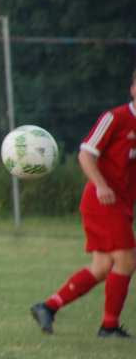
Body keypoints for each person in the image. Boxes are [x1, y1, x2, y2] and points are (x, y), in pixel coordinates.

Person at [30, 70, 136, 338]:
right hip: (102, 201)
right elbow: (86, 154)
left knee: (101, 267)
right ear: (133, 89)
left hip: (122, 204)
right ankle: (109, 326)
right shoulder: (115, 118)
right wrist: (101, 184)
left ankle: (48, 306)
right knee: (126, 260)